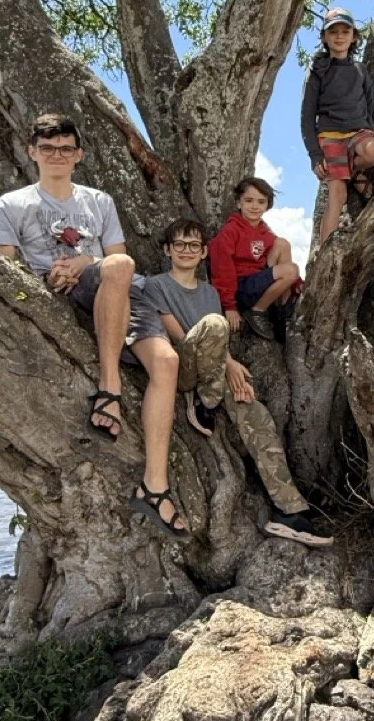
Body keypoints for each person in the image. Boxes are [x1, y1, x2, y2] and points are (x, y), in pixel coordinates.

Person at [0, 113, 189, 538]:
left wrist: (88, 261)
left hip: (114, 284)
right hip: (71, 291)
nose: (56, 155)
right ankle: (109, 389)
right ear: (32, 153)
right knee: (118, 266)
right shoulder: (14, 203)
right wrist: (45, 278)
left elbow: (118, 258)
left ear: (78, 155)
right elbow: (2, 265)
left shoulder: (98, 201)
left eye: (65, 148)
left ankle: (155, 485)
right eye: (47, 148)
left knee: (168, 363)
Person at [142, 220, 332, 546]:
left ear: (203, 253)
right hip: (182, 365)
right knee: (216, 325)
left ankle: (289, 510)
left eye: (193, 245)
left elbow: (220, 346)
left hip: (214, 368)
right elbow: (178, 334)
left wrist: (231, 368)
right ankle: (204, 402)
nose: (186, 250)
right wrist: (219, 364)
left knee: (255, 412)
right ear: (167, 250)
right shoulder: (156, 285)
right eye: (179, 245)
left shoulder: (209, 292)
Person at [301, 6, 374, 243]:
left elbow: (369, 104)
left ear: (354, 36)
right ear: (325, 37)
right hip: (330, 135)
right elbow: (306, 115)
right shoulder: (318, 70)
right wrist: (315, 155)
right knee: (337, 195)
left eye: (345, 31)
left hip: (358, 132)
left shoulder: (360, 70)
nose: (339, 36)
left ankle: (353, 170)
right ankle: (324, 255)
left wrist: (370, 130)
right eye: (333, 31)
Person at [208, 176, 302, 341]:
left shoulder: (263, 230)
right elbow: (223, 270)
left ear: (267, 206)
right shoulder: (230, 231)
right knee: (290, 270)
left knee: (282, 244)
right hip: (241, 287)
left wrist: (297, 284)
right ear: (239, 203)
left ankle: (283, 312)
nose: (254, 206)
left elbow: (277, 257)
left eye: (261, 202)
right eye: (249, 200)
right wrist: (230, 306)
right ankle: (257, 312)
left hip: (257, 280)